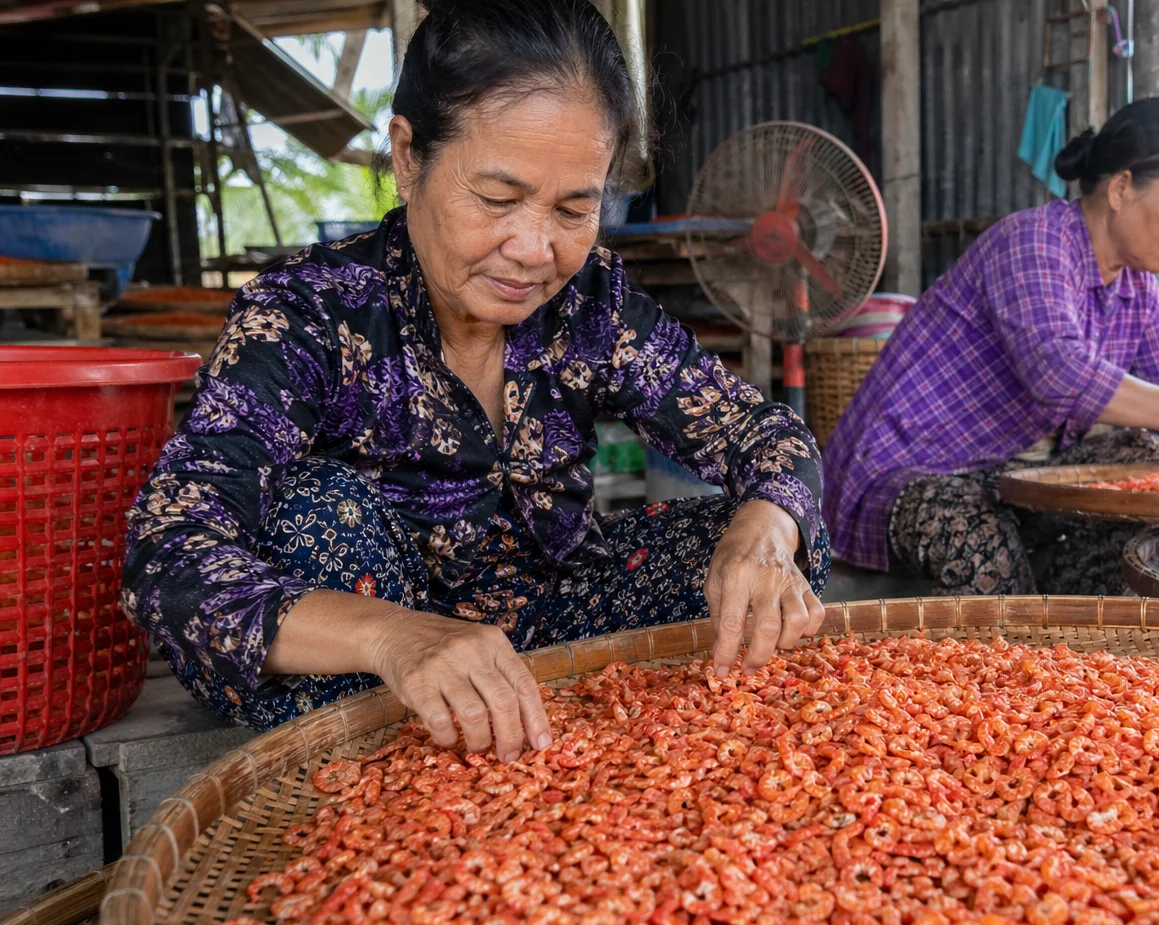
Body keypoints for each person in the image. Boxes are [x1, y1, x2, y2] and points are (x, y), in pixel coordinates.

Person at [122, 0, 828, 760]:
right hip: (371, 668)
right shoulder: (308, 314)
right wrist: (398, 637)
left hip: (549, 634)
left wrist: (764, 527)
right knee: (314, 515)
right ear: (407, 156)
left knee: (769, 551)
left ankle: (624, 754)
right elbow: (169, 557)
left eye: (573, 208)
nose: (533, 248)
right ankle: (398, 765)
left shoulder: (593, 303)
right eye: (496, 200)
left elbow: (765, 434)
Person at [823, 98, 1159, 597]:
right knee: (973, 531)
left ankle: (1080, 623)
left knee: (1144, 455)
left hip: (1005, 473)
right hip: (911, 473)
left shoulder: (1135, 286)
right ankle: (1016, 666)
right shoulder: (1034, 242)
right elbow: (1059, 371)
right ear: (1121, 188)